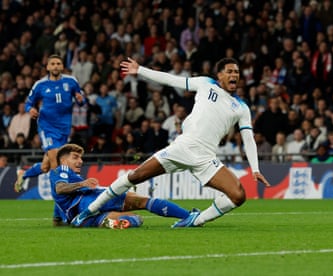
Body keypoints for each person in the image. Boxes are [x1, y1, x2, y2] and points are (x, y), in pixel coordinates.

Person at [72, 57, 271, 228]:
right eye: (230, 71)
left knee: (238, 195)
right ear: (220, 75)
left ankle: (195, 220)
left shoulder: (242, 108)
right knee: (135, 176)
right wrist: (140, 70)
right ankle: (90, 210)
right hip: (182, 147)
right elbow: (171, 80)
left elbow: (248, 138)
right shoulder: (205, 83)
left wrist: (255, 168)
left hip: (205, 157)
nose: (234, 75)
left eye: (236, 72)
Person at [51, 144, 193, 228]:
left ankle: (113, 222)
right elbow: (61, 188)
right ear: (63, 160)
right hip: (90, 201)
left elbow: (58, 208)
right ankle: (189, 216)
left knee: (132, 218)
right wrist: (82, 184)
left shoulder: (62, 176)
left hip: (82, 218)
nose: (80, 161)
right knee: (142, 201)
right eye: (75, 157)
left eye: (81, 157)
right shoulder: (62, 170)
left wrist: (58, 220)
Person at [14, 54, 86, 193]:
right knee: (56, 161)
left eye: (58, 63)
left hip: (64, 127)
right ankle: (60, 201)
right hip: (47, 126)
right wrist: (31, 109)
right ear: (47, 67)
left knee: (45, 167)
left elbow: (81, 100)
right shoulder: (40, 84)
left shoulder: (71, 81)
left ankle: (24, 173)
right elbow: (28, 103)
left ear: (62, 66)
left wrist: (80, 99)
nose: (55, 66)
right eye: (52, 64)